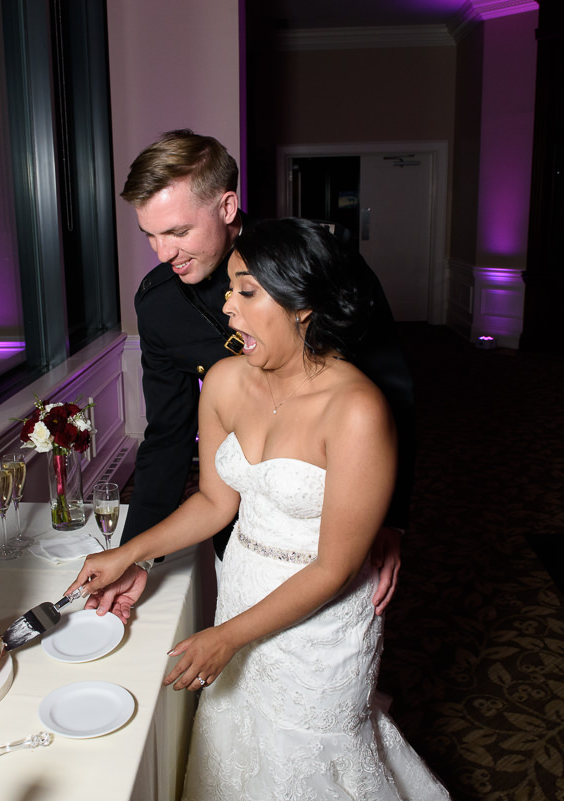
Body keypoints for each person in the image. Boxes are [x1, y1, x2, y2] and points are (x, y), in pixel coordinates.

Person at [68, 219, 448, 800]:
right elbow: (217, 503)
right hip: (242, 582)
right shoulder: (223, 381)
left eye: (245, 292)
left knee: (309, 757)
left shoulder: (358, 411)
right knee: (238, 750)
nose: (227, 309)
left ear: (303, 306)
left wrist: (226, 638)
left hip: (323, 623)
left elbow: (335, 568)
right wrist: (128, 552)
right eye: (229, 291)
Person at [97, 129, 416, 621]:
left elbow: (392, 395)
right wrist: (138, 552)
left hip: (334, 512)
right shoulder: (159, 303)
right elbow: (167, 436)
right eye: (150, 235)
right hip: (238, 518)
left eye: (179, 232)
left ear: (227, 207)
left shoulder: (318, 263)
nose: (162, 254)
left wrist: (392, 521)